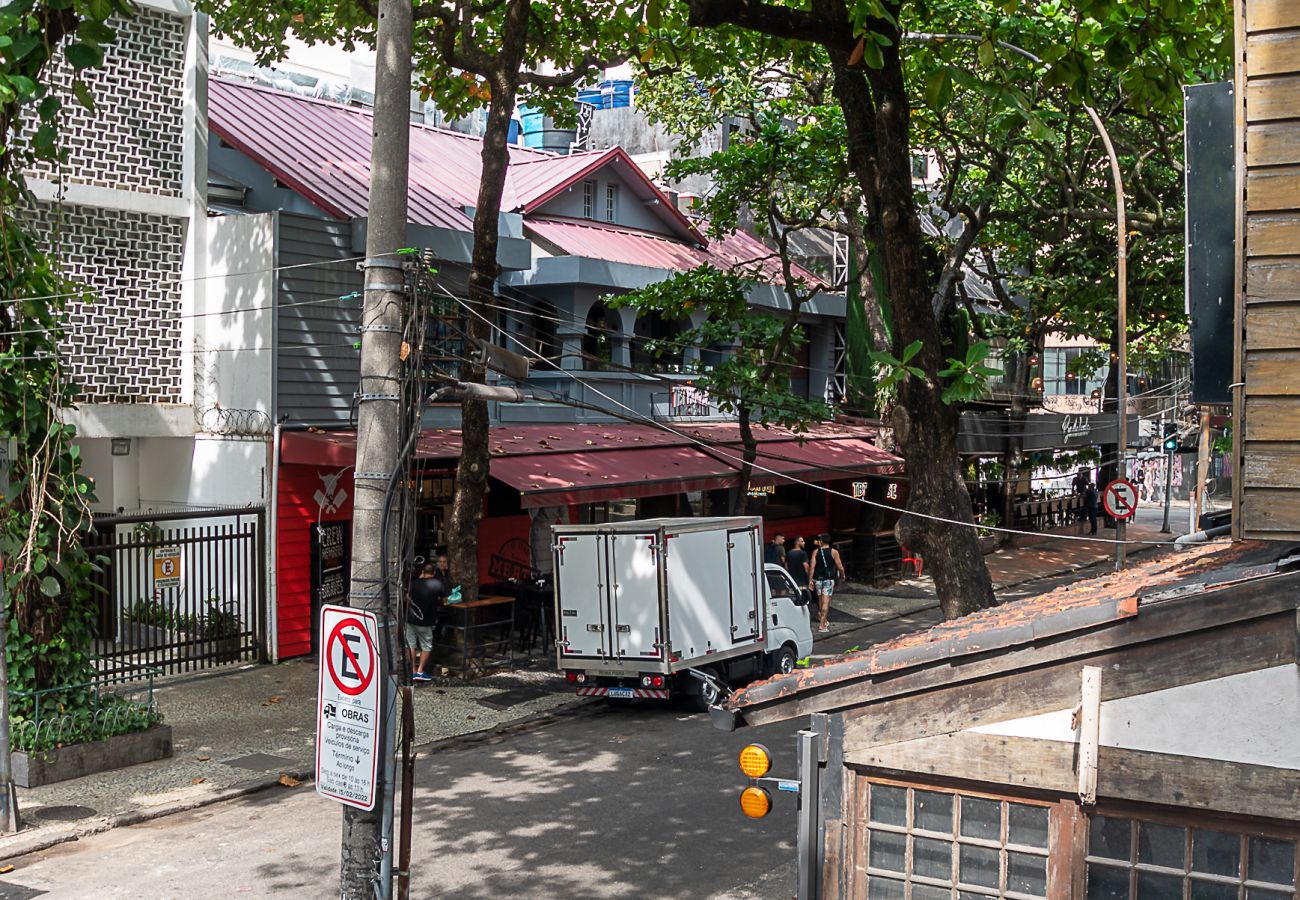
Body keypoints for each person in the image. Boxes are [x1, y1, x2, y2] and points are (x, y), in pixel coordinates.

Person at [406, 562, 445, 683]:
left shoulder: (413, 583)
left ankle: (412, 671)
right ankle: (420, 671)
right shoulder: (437, 584)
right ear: (433, 573)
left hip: (411, 619)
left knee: (411, 644)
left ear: (423, 572)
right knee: (426, 646)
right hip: (426, 621)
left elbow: (407, 596)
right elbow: (444, 599)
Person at [810, 534, 845, 634]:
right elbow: (840, 566)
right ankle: (822, 625)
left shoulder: (815, 552)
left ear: (821, 541)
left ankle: (824, 620)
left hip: (817, 579)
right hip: (828, 580)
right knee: (826, 602)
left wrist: (810, 580)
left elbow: (812, 567)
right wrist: (843, 575)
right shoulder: (834, 552)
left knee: (820, 600)